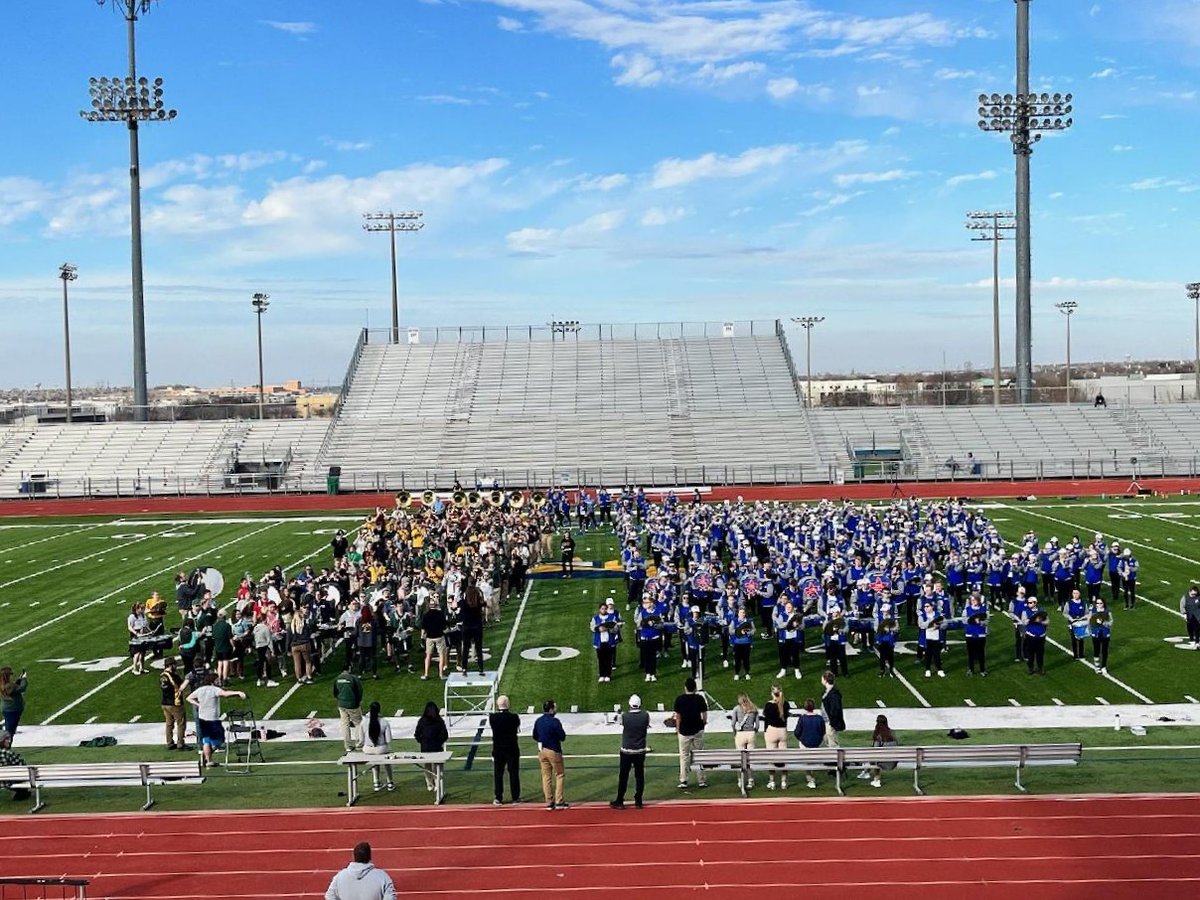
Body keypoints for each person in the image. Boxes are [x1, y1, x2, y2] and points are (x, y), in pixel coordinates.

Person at [185, 673, 246, 768]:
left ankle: (208, 760)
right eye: (217, 680)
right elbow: (225, 694)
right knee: (219, 739)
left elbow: (189, 698)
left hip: (202, 718)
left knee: (206, 740)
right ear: (212, 681)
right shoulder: (214, 689)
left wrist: (198, 704)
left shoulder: (200, 690)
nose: (218, 681)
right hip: (212, 719)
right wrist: (237, 693)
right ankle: (207, 755)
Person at [611, 693, 650, 809]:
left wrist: (618, 713)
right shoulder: (645, 715)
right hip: (640, 750)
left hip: (627, 751)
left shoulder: (625, 716)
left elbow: (617, 721)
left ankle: (620, 800)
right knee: (639, 776)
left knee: (623, 776)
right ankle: (638, 800)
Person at [325, 841, 395, 900]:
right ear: (370, 857)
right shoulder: (382, 877)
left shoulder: (339, 877)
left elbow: (329, 896)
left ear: (353, 856)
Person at [672, 676, 708, 790]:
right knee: (699, 755)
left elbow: (678, 717)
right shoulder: (699, 698)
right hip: (697, 730)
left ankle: (684, 780)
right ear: (695, 688)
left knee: (684, 756)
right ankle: (701, 780)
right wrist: (703, 724)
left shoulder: (679, 699)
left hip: (684, 731)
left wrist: (678, 729)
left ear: (685, 687)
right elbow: (704, 714)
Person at [532, 699, 568, 809]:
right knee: (559, 775)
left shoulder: (539, 721)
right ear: (551, 709)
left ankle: (549, 801)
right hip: (553, 750)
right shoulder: (555, 722)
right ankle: (559, 800)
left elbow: (535, 736)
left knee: (546, 776)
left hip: (542, 750)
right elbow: (562, 737)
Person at [489, 694, 521, 805]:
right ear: (508, 704)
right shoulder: (514, 717)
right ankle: (515, 797)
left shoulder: (493, 718)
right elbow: (516, 727)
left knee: (498, 774)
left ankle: (498, 797)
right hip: (512, 749)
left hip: (498, 750)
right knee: (514, 773)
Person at [414, 700, 449, 800]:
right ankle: (437, 784)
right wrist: (439, 742)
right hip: (436, 748)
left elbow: (417, 734)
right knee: (436, 767)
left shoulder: (422, 721)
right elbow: (445, 735)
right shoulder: (439, 721)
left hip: (426, 748)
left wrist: (423, 741)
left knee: (427, 767)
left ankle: (430, 784)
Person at [361, 701, 394, 793]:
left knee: (374, 761)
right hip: (382, 749)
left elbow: (361, 739)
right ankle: (390, 782)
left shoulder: (364, 722)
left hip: (368, 749)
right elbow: (388, 740)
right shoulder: (384, 722)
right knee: (387, 761)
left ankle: (376, 782)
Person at [792, 699, 825, 790]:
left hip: (805, 743)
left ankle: (810, 778)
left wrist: (801, 739)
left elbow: (797, 732)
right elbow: (822, 731)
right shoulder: (819, 718)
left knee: (807, 760)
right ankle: (811, 778)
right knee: (812, 760)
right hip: (816, 742)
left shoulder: (803, 718)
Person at [762, 685, 790, 791]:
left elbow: (766, 717)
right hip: (782, 731)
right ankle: (784, 781)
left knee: (771, 756)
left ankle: (772, 781)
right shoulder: (785, 704)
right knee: (784, 757)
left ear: (772, 693)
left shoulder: (769, 705)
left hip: (772, 730)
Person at [159, 657, 189, 751]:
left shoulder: (162, 675)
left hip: (165, 703)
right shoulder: (173, 676)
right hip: (175, 703)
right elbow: (181, 687)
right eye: (174, 665)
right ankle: (180, 743)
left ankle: (169, 743)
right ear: (170, 665)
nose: (176, 666)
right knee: (181, 724)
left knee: (169, 724)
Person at [334, 667, 364, 753]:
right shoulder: (353, 678)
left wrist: (339, 699)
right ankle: (359, 744)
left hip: (341, 704)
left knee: (345, 724)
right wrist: (358, 701)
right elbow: (359, 691)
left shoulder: (337, 678)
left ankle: (347, 746)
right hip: (352, 704)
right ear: (349, 668)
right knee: (358, 723)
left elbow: (335, 692)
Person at [866, 714, 898, 789]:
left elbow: (875, 749)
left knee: (875, 757)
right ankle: (866, 772)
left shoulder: (878, 734)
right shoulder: (892, 732)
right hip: (893, 762)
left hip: (883, 762)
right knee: (877, 757)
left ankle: (875, 778)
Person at [420, 597, 448, 681]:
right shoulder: (440, 614)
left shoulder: (426, 615)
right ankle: (441, 674)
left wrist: (422, 637)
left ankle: (426, 674)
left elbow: (423, 628)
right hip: (439, 636)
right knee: (441, 655)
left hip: (429, 637)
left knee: (428, 656)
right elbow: (444, 626)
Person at [0, 730, 31, 802]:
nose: (9, 741)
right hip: (9, 780)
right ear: (1, 741)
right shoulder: (8, 753)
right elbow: (23, 765)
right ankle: (21, 793)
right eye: (7, 739)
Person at [820, 671, 846, 749]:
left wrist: (832, 721)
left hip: (830, 722)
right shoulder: (827, 691)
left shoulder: (834, 694)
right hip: (826, 720)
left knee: (833, 743)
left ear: (825, 680)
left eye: (822, 679)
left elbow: (835, 709)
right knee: (827, 739)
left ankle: (835, 756)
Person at [0, 667, 27, 740]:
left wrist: (19, 679)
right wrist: (24, 679)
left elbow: (14, 687)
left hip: (8, 709)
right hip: (13, 710)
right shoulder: (8, 686)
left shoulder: (4, 684)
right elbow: (22, 688)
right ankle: (5, 746)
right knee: (9, 733)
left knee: (9, 731)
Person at [1090, 597, 1113, 674]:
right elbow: (1089, 621)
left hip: (1105, 633)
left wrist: (1103, 623)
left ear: (1103, 604)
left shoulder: (1107, 611)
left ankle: (1103, 666)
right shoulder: (1093, 611)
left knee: (1104, 650)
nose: (1099, 604)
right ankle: (1097, 666)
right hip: (1095, 633)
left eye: (1101, 603)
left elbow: (1111, 622)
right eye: (1097, 603)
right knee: (1096, 650)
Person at [127, 602, 150, 676]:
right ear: (137, 609)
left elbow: (146, 625)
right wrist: (136, 633)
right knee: (137, 653)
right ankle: (134, 668)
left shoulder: (143, 615)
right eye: (141, 608)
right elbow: (130, 627)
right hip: (136, 635)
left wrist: (149, 631)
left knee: (143, 652)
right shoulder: (132, 616)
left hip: (143, 634)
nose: (143, 610)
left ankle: (141, 668)